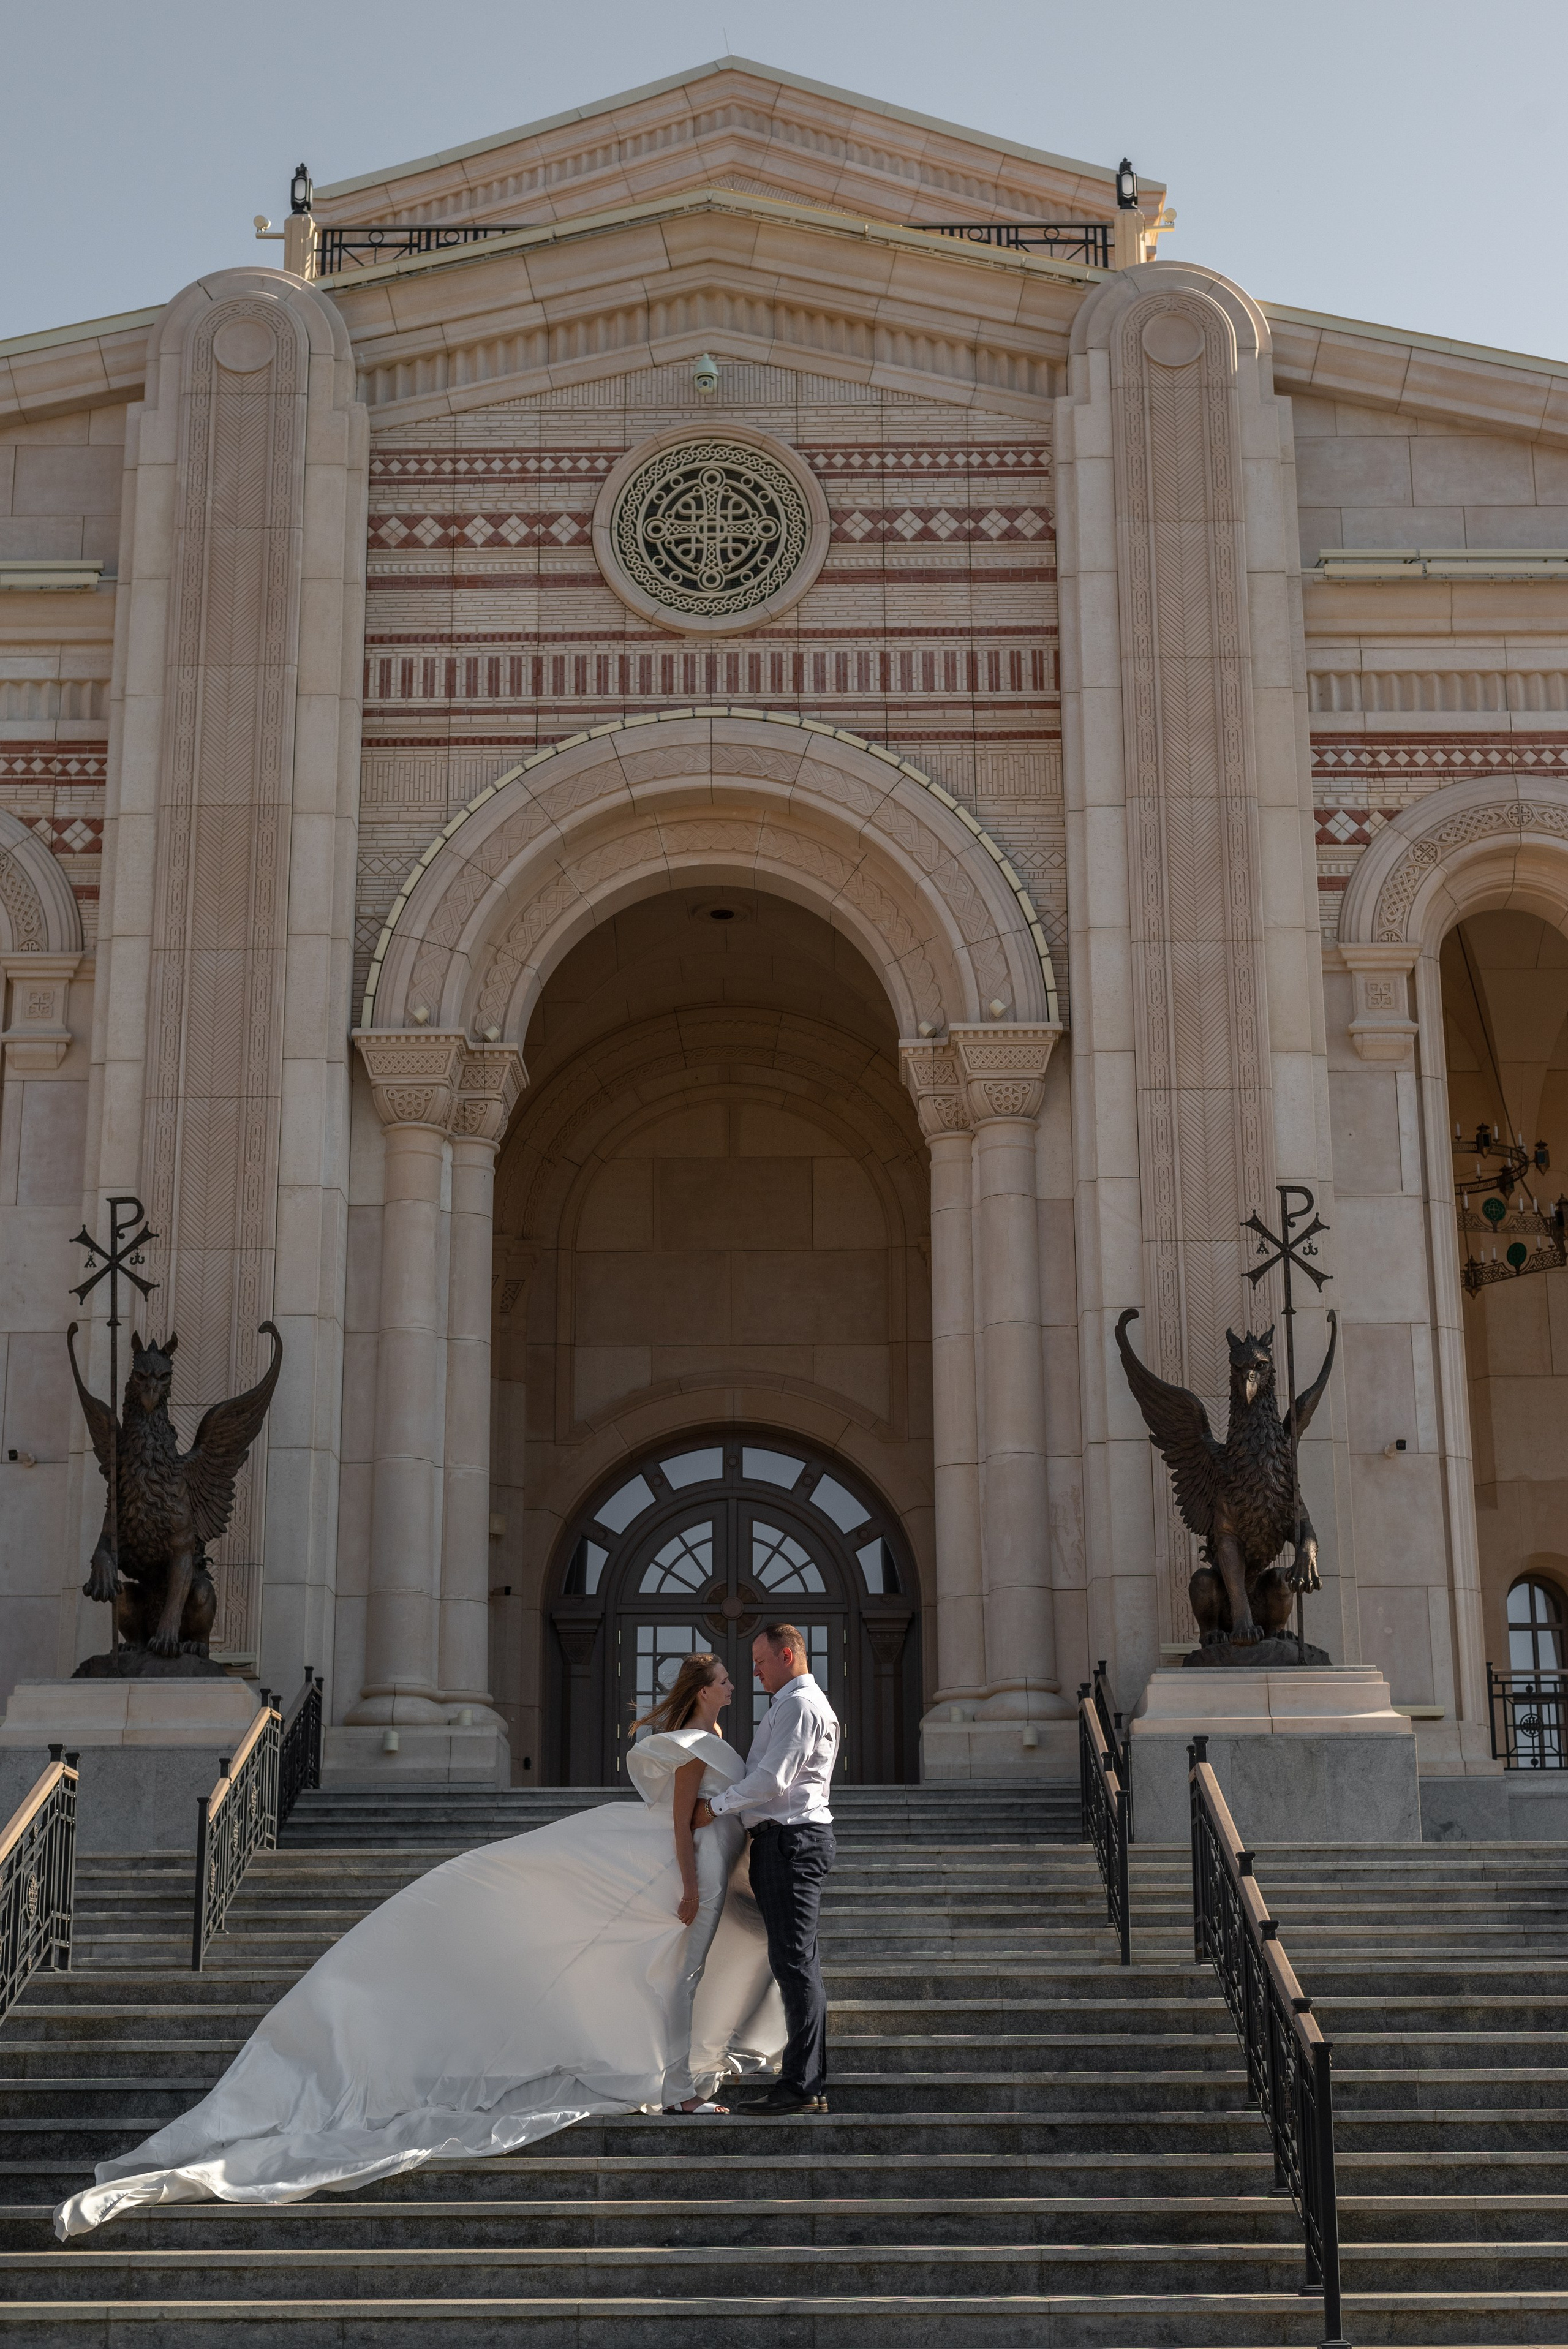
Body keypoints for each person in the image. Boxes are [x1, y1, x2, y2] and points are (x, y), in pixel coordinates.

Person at [55, 1654, 784, 2239]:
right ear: (703, 1691)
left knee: (669, 1972)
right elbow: (680, 1823)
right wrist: (688, 1887)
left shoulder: (719, 1741)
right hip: (688, 1871)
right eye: (724, 1678)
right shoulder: (693, 1747)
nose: (733, 1685)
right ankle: (678, 2086)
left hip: (720, 1871)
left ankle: (678, 2074)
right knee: (672, 1971)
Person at [695, 1620, 839, 2116]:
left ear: (787, 1655)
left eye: (760, 1661)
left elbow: (773, 1780)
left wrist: (713, 1807)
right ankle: (805, 2080)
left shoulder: (799, 1705)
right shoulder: (795, 1704)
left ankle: (802, 2084)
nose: (754, 1671)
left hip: (791, 1843)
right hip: (788, 1842)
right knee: (795, 1963)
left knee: (795, 1964)